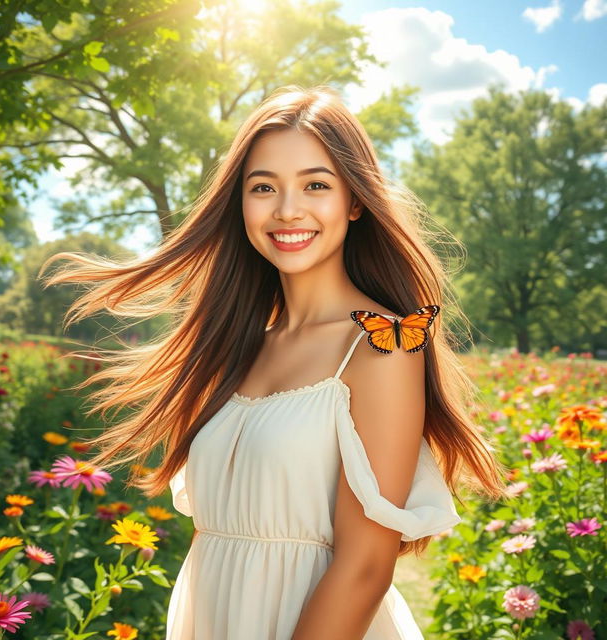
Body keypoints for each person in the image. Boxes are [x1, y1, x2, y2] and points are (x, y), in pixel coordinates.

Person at [40, 84, 509, 639]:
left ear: (354, 200)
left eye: (316, 184)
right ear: (240, 202)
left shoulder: (381, 346)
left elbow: (365, 566)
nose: (288, 209)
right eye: (264, 187)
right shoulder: (238, 345)